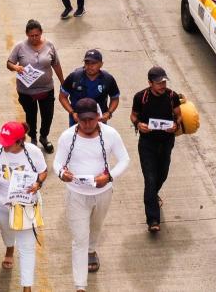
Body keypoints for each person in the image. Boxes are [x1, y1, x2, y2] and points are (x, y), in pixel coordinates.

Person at [55, 98, 131, 292]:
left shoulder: (110, 134)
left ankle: (92, 250)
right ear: (76, 118)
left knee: (95, 228)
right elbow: (57, 163)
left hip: (103, 193)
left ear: (98, 116)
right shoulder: (66, 137)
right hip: (76, 195)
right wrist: (62, 174)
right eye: (83, 120)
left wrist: (109, 176)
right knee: (79, 239)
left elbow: (124, 159)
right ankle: (80, 285)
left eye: (91, 119)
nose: (87, 124)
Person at [0, 122, 48, 290]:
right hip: (0, 204)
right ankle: (9, 249)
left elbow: (44, 171)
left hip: (26, 206)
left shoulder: (34, 152)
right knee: (7, 231)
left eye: (7, 141)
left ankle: (27, 287)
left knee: (27, 246)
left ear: (20, 141)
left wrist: (38, 183)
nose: (3, 144)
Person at [129, 66, 183, 232]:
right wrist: (138, 124)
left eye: (164, 82)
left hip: (166, 142)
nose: (162, 85)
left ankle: (152, 194)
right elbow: (133, 115)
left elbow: (178, 114)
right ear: (150, 83)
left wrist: (176, 125)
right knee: (150, 179)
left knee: (163, 174)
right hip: (147, 144)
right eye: (159, 83)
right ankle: (153, 219)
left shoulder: (172, 96)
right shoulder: (141, 97)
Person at [6, 19, 64, 153]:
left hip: (46, 89)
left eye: (37, 35)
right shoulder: (20, 47)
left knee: (47, 115)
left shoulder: (49, 45)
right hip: (26, 91)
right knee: (31, 116)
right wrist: (15, 67)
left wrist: (62, 82)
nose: (34, 38)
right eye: (31, 36)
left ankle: (44, 137)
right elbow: (9, 63)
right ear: (27, 34)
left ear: (41, 33)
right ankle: (33, 138)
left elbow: (56, 64)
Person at [59, 48, 121, 126]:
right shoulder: (74, 77)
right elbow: (62, 97)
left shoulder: (108, 79)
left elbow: (115, 98)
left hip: (99, 121)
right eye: (87, 63)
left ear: (101, 64)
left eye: (94, 63)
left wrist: (109, 113)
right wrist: (72, 112)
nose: (90, 66)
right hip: (77, 121)